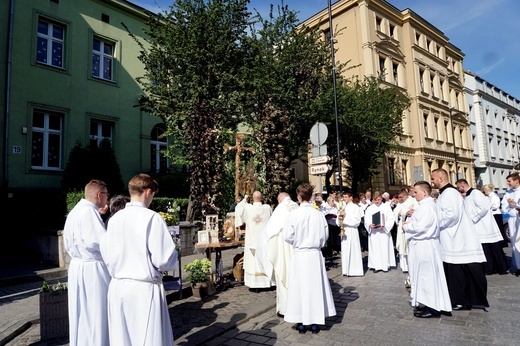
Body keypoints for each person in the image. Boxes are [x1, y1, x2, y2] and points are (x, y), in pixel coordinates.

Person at [100, 173, 178, 345]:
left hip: (118, 286)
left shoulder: (114, 219)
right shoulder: (152, 218)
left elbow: (105, 251)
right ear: (148, 192)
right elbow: (164, 259)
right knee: (146, 338)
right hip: (143, 289)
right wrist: (174, 256)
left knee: (122, 338)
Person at [430, 168, 488, 310]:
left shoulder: (450, 193)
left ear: (441, 179)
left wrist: (434, 221)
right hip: (451, 236)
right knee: (456, 270)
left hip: (456, 237)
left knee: (459, 270)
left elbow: (452, 215)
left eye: (433, 178)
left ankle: (462, 299)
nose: (431, 181)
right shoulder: (446, 193)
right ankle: (459, 298)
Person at [283, 183, 336, 334]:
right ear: (311, 196)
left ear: (299, 197)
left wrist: (298, 242)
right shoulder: (318, 214)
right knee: (314, 287)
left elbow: (287, 236)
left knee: (299, 287)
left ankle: (301, 320)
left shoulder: (293, 215)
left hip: (300, 254)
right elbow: (324, 236)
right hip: (314, 254)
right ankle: (314, 321)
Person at [63, 179, 111, 346]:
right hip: (93, 268)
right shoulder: (89, 212)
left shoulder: (76, 210)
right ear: (99, 195)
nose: (107, 199)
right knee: (96, 312)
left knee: (81, 311)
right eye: (106, 195)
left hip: (77, 266)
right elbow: (98, 242)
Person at [403, 181, 452, 318]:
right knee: (428, 275)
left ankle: (432, 308)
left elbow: (420, 227)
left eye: (416, 192)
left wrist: (405, 227)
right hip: (427, 244)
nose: (414, 194)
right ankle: (434, 303)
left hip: (424, 245)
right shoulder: (427, 205)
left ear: (424, 193)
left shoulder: (426, 207)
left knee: (426, 276)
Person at [255, 192, 299, 316]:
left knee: (283, 273)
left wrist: (263, 250)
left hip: (283, 249)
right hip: (297, 248)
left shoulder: (280, 209)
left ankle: (285, 308)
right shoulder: (297, 206)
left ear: (279, 200)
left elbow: (268, 233)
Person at [456, 179, 508, 275]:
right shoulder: (468, 195)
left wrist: (473, 218)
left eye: (458, 187)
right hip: (479, 226)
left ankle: (497, 268)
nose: (458, 189)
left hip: (485, 225)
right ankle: (490, 268)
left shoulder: (475, 193)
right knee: (486, 249)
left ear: (462, 186)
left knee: (492, 248)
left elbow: (484, 207)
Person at [235, 190, 273, 290]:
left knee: (253, 263)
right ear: (262, 198)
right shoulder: (267, 208)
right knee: (264, 260)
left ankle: (255, 284)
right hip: (264, 241)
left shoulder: (248, 208)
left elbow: (238, 208)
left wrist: (245, 199)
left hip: (252, 240)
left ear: (253, 198)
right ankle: (266, 283)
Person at [364, 191, 396, 272]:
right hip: (374, 232)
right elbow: (366, 219)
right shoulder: (370, 208)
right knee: (375, 249)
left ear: (381, 198)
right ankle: (375, 266)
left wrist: (385, 226)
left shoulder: (386, 207)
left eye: (378, 199)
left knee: (384, 248)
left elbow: (391, 219)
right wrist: (369, 225)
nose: (377, 201)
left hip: (383, 232)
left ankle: (385, 265)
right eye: (375, 200)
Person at [336, 192, 364, 276]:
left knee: (353, 249)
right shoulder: (343, 207)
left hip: (352, 230)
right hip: (344, 230)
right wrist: (339, 218)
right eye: (344, 197)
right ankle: (346, 270)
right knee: (345, 250)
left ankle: (355, 270)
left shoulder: (355, 207)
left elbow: (357, 221)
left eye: (346, 197)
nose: (344, 198)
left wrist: (346, 216)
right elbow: (338, 220)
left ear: (351, 197)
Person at [393, 188, 418, 274]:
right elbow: (396, 212)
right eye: (399, 197)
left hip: (409, 225)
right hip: (401, 226)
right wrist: (400, 213)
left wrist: (404, 213)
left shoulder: (413, 201)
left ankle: (410, 265)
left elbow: (414, 211)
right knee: (402, 246)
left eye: (401, 197)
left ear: (406, 195)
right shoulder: (400, 203)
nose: (399, 199)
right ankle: (404, 267)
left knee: (408, 246)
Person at [501, 172, 520, 275]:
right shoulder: (508, 193)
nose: (508, 183)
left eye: (509, 181)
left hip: (519, 217)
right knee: (513, 242)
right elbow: (504, 206)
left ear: (516, 180)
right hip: (512, 219)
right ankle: (517, 265)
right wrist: (509, 205)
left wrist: (515, 204)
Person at [482, 183, 508, 248]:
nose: (484, 192)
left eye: (484, 190)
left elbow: (496, 206)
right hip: (492, 214)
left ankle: (502, 243)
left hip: (496, 214)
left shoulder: (494, 196)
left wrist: (489, 207)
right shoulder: (488, 197)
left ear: (487, 190)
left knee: (499, 229)